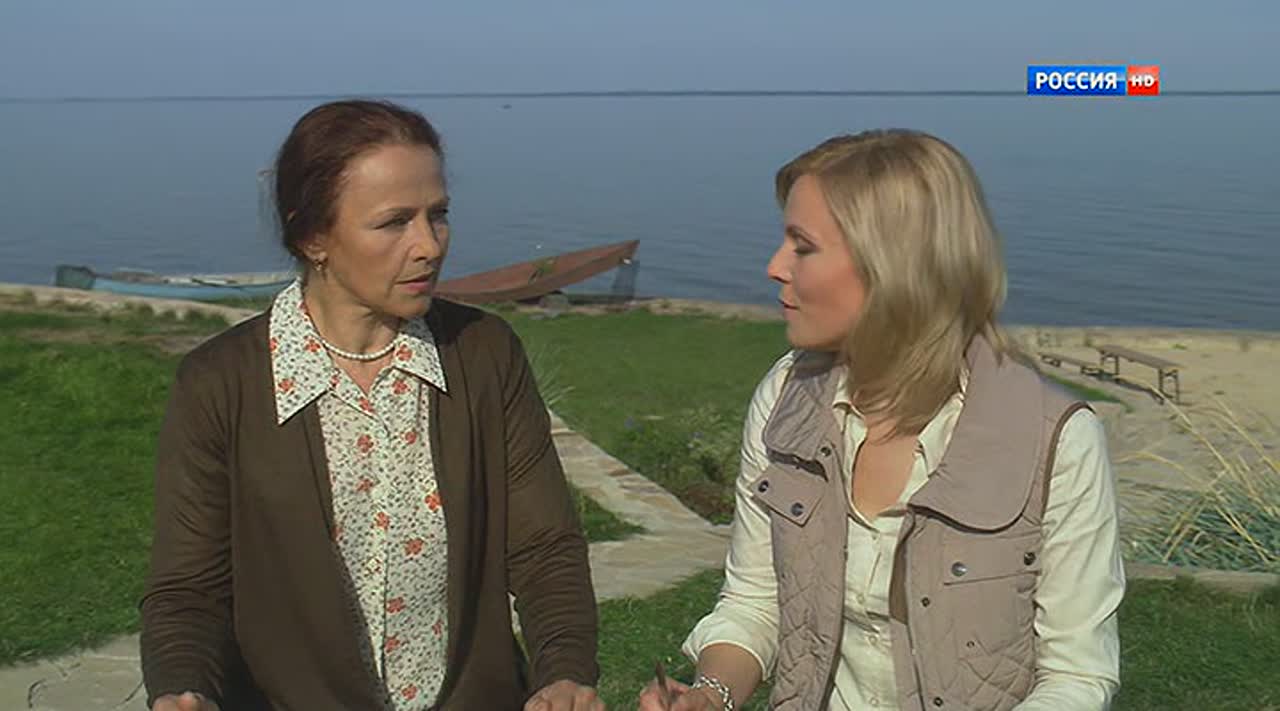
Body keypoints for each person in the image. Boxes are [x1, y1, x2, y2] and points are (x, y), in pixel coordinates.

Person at [141, 99, 604, 711]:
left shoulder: (483, 355)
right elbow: (187, 589)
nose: (429, 245)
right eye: (394, 222)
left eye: (438, 215)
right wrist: (182, 688)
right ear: (312, 237)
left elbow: (545, 546)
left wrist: (563, 672)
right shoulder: (220, 383)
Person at [639, 130, 1125, 710]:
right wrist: (711, 695)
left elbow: (1076, 676)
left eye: (802, 246)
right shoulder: (784, 398)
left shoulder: (1054, 440)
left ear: (893, 265)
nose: (773, 267)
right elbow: (756, 600)